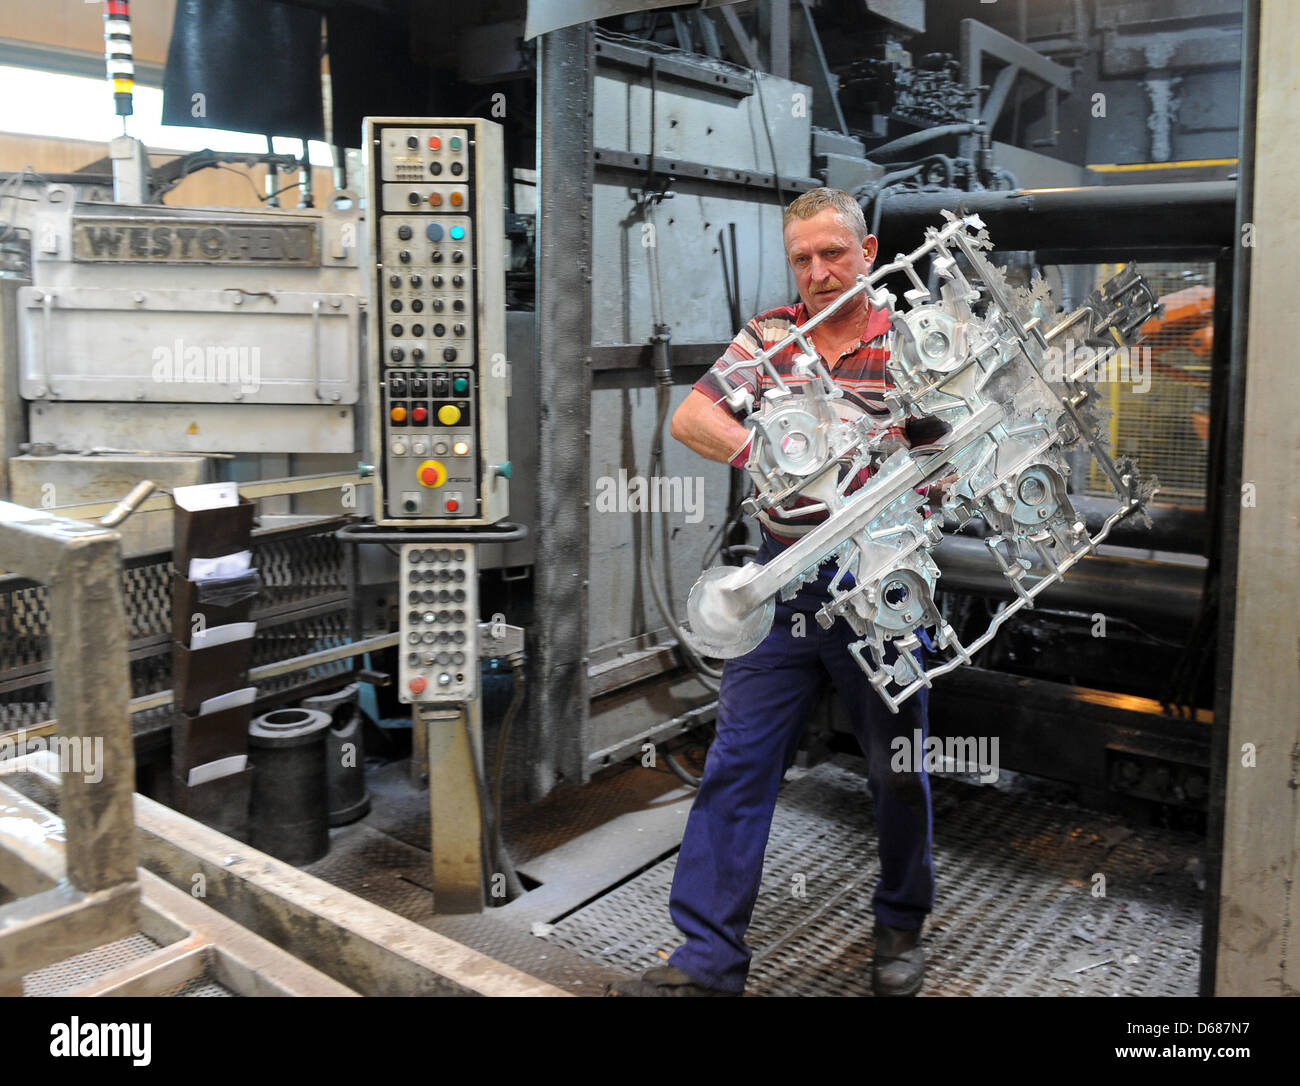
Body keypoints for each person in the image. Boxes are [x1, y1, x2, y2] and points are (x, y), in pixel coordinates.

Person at [610, 188, 935, 998]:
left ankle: (899, 924)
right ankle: (707, 961)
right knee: (738, 764)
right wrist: (772, 450)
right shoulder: (771, 338)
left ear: (866, 251)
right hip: (781, 583)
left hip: (881, 586)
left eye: (834, 253)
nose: (820, 272)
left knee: (896, 767)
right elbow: (691, 416)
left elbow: (960, 453)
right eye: (803, 258)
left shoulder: (915, 340)